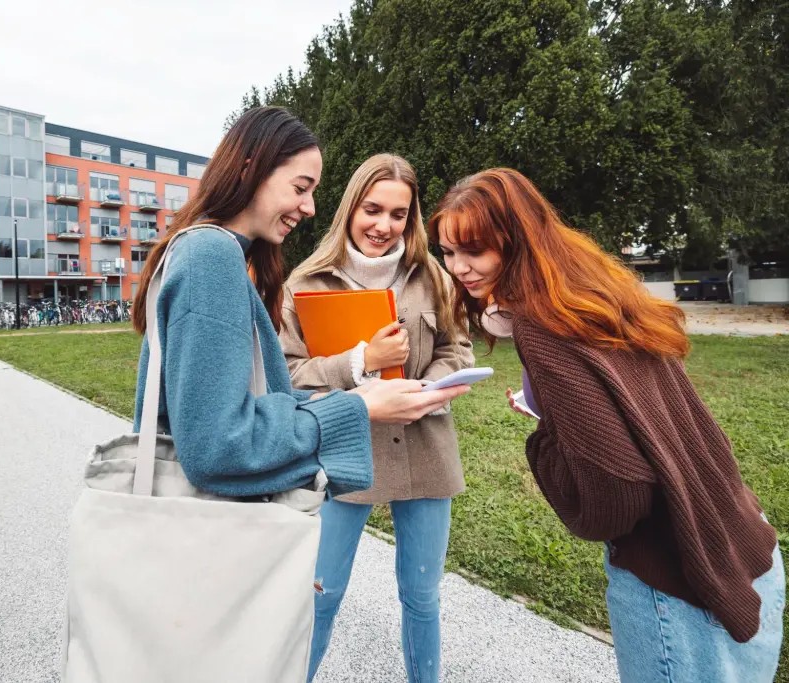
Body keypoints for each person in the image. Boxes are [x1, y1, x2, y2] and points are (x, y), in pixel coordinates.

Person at [432, 167, 785, 683]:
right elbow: (634, 413)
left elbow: (613, 499)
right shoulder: (593, 294)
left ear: (517, 241)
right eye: (447, 251)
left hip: (678, 582)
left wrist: (544, 442)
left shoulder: (541, 325)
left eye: (474, 250)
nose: (458, 267)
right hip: (746, 543)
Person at [131, 108, 469, 509]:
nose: (309, 208)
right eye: (300, 188)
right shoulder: (212, 257)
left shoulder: (203, 250)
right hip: (217, 525)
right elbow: (219, 448)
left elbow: (250, 405)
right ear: (250, 171)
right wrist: (359, 405)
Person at [280, 154, 474, 683]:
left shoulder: (433, 276)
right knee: (321, 593)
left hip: (426, 453)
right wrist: (361, 361)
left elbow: (458, 349)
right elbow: (289, 375)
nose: (384, 226)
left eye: (398, 214)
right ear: (350, 208)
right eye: (372, 210)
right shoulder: (305, 282)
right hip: (343, 456)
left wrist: (428, 391)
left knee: (422, 597)